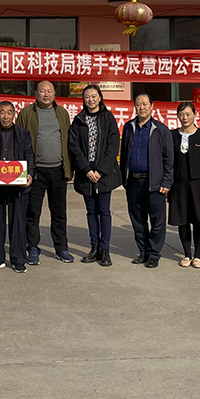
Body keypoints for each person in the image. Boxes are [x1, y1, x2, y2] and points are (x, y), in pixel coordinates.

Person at [15, 80, 74, 265]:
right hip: (35, 172)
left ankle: (61, 248)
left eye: (49, 91)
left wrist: (69, 167)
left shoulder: (62, 113)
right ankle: (32, 247)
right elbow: (18, 142)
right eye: (42, 91)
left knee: (59, 212)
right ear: (36, 93)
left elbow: (68, 141)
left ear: (54, 93)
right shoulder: (26, 113)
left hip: (58, 170)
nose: (46, 94)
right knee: (32, 212)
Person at [67, 84, 121, 267]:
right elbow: (74, 146)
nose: (90, 99)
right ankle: (94, 247)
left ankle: (105, 250)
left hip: (103, 173)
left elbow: (113, 145)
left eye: (93, 96)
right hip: (86, 173)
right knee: (91, 211)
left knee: (104, 211)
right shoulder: (79, 120)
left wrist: (101, 170)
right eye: (87, 96)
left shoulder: (107, 118)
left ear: (100, 97)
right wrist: (86, 170)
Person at [0, 101, 35, 273]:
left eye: (9, 112)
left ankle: (18, 259)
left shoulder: (23, 134)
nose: (6, 116)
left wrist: (30, 174)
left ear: (14, 115)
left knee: (18, 223)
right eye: (2, 112)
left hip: (18, 186)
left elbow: (29, 156)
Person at [120, 93, 173, 268]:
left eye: (145, 104)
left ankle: (154, 254)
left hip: (154, 183)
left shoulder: (161, 130)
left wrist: (166, 182)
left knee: (157, 221)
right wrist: (124, 178)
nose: (141, 107)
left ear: (152, 106)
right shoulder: (129, 127)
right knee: (138, 220)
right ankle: (143, 252)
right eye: (138, 104)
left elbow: (169, 159)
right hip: (133, 182)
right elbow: (124, 153)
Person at [169, 102, 200, 268]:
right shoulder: (172, 135)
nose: (185, 118)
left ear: (195, 115)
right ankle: (186, 254)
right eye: (181, 114)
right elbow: (168, 162)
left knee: (199, 220)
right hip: (179, 185)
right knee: (182, 220)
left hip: (198, 185)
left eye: (188, 114)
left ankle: (197, 255)